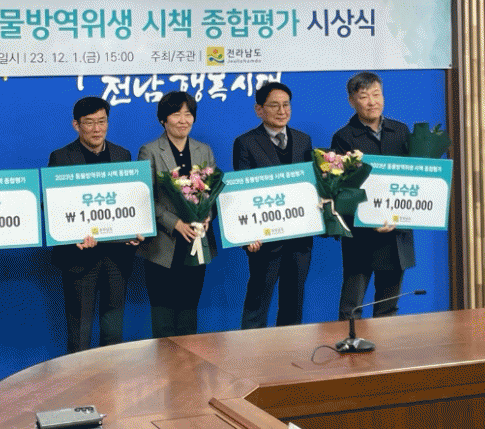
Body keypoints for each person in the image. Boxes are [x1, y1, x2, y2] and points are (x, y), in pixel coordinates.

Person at [48, 96, 141, 354]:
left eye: (102, 121)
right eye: (89, 123)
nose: (97, 129)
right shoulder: (61, 157)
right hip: (79, 258)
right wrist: (71, 235)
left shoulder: (122, 155)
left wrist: (134, 230)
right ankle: (79, 380)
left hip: (116, 258)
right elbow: (55, 207)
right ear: (76, 125)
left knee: (113, 333)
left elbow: (129, 201)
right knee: (79, 334)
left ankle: (111, 379)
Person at [331, 72, 416, 320]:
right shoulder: (344, 137)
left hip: (396, 232)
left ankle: (385, 347)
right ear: (352, 101)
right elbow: (341, 189)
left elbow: (414, 179)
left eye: (376, 94)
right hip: (362, 235)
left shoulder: (400, 131)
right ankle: (349, 345)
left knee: (388, 308)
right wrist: (370, 219)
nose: (372, 102)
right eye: (364, 96)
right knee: (351, 308)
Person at [137, 91, 218, 338]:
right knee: (163, 317)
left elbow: (211, 192)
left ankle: (188, 361)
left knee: (188, 313)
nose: (183, 120)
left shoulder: (203, 150)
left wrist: (206, 215)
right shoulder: (150, 151)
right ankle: (164, 362)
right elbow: (145, 198)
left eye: (188, 114)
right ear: (163, 119)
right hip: (164, 245)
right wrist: (175, 223)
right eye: (176, 114)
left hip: (197, 242)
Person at [233, 81, 314, 329]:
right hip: (265, 240)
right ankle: (250, 351)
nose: (282, 111)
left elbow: (310, 186)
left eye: (286, 105)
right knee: (257, 303)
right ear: (259, 109)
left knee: (293, 304)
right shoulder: (246, 142)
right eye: (274, 105)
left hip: (299, 238)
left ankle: (289, 351)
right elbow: (243, 192)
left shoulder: (303, 140)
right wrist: (248, 235)